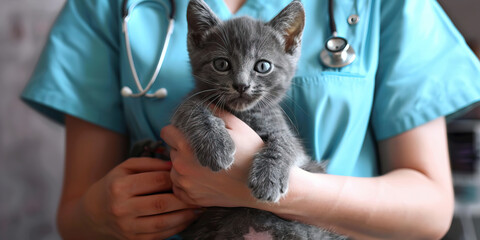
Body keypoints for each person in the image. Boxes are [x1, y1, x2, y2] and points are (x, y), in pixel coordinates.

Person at [21, 0, 480, 239]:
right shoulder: (104, 6)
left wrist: (287, 192)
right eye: (225, 66)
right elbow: (74, 218)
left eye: (258, 68)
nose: (241, 82)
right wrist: (104, 211)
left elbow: (432, 210)